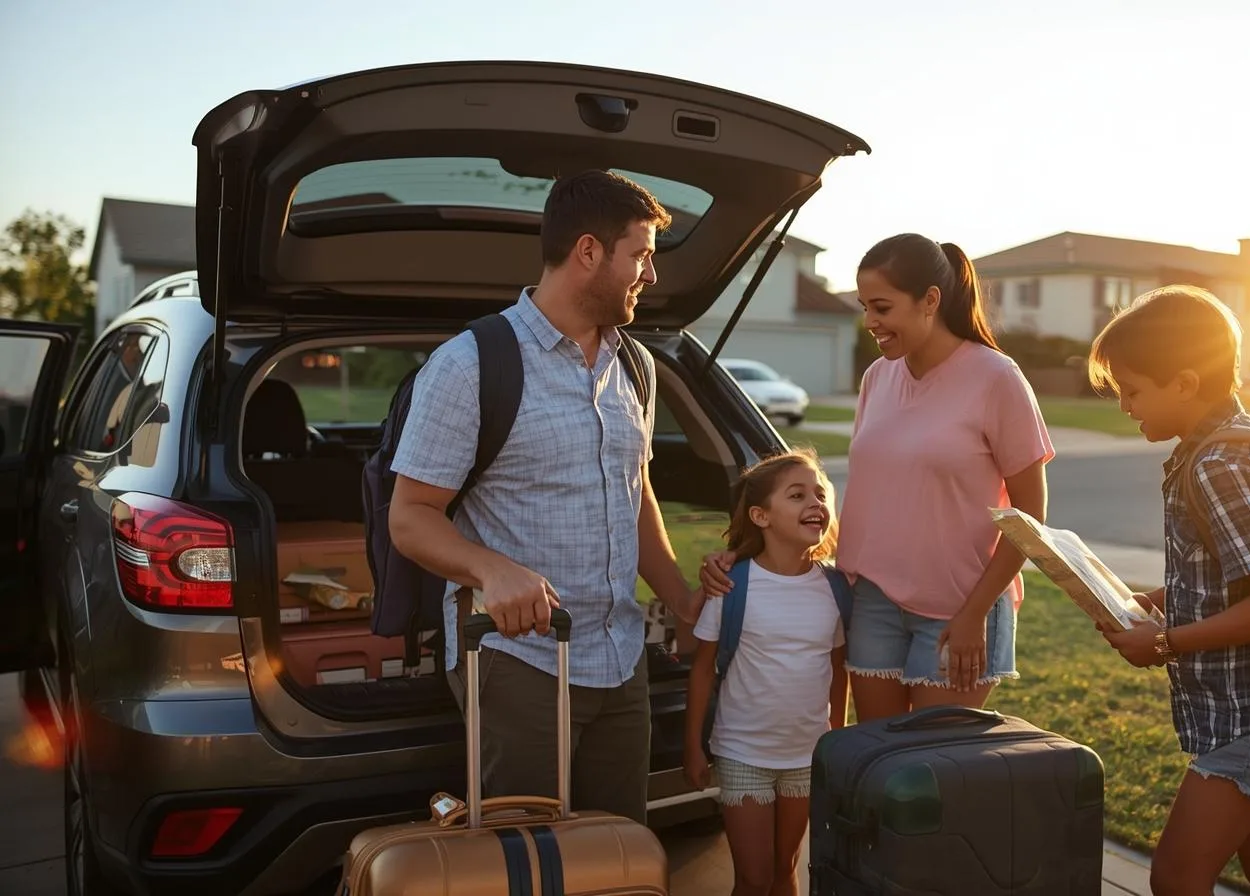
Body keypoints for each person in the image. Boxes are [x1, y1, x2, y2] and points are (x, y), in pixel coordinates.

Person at [387, 169, 703, 825]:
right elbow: (411, 518)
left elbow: (633, 491)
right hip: (520, 662)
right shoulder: (471, 362)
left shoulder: (635, 366)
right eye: (641, 255)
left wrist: (683, 604)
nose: (652, 276)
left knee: (617, 850)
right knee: (526, 855)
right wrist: (492, 570)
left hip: (621, 658)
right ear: (589, 251)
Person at [702, 233, 1053, 723]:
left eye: (882, 308)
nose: (869, 322)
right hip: (873, 602)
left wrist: (976, 612)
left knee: (928, 768)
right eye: (866, 307)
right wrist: (746, 551)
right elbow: (875, 497)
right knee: (877, 760)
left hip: (960, 609)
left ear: (930, 300)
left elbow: (1030, 517)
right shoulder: (878, 378)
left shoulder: (997, 377)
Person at [1088, 285, 1250, 896]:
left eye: (1133, 390)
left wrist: (1167, 642)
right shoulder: (1218, 447)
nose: (1125, 405)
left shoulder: (1219, 465)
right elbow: (1233, 578)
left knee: (1176, 877)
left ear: (1183, 383)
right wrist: (1159, 599)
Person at [682, 448, 848, 896]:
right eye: (797, 495)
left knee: (785, 870)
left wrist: (836, 741)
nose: (815, 503)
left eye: (820, 493)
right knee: (753, 880)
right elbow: (701, 669)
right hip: (743, 755)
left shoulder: (835, 588)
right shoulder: (732, 585)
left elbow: (837, 669)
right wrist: (692, 748)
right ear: (761, 515)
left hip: (805, 758)